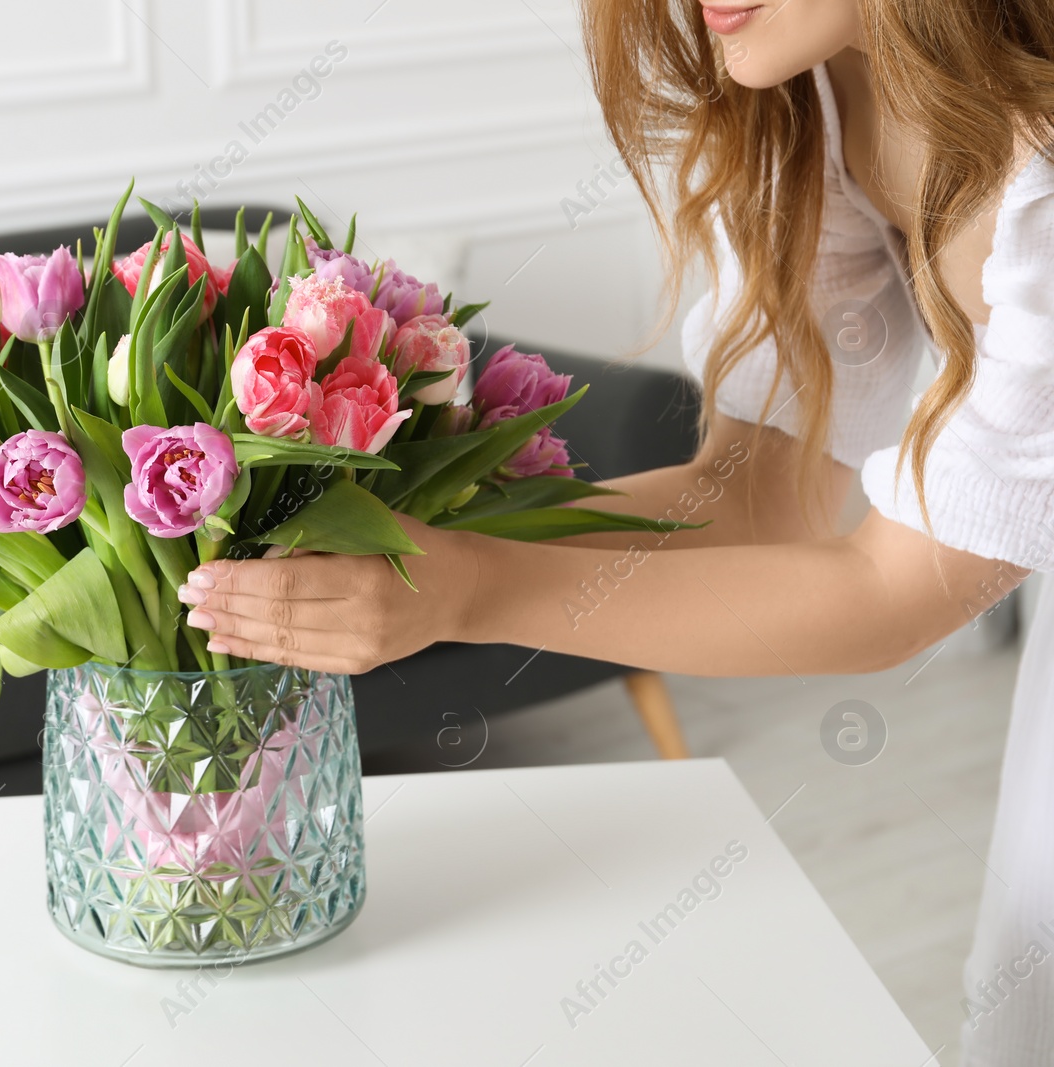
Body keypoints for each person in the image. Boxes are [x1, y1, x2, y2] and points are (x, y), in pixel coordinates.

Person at [177, 2, 1054, 1063]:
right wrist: (417, 536)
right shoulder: (825, 92)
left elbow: (896, 593)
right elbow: (753, 495)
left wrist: (465, 589)